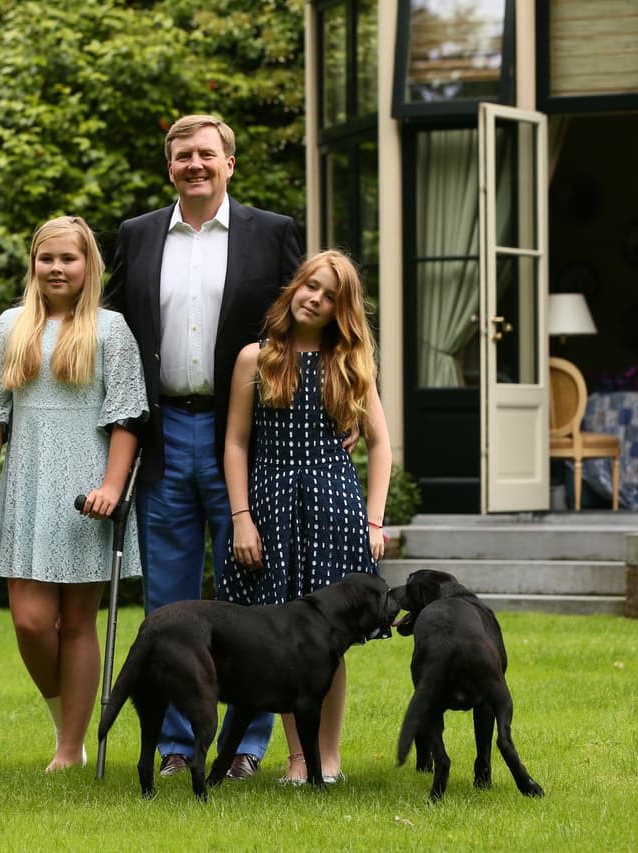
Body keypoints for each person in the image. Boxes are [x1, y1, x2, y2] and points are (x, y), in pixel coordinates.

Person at [105, 114, 304, 780]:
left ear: (229, 163)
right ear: (170, 167)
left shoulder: (271, 233)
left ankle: (246, 745)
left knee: (250, 597)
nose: (195, 164)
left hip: (242, 435)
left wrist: (341, 400)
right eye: (183, 155)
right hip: (165, 435)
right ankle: (175, 744)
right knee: (168, 601)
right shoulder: (136, 236)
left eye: (207, 154)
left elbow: (309, 322)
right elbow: (107, 331)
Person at [0, 215, 148, 772]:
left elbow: (127, 418)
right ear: (34, 265)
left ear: (88, 265)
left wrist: (113, 487)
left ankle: (69, 747)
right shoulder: (10, 326)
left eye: (68, 259)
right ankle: (62, 714)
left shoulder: (110, 330)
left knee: (77, 621)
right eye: (47, 259)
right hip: (26, 482)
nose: (57, 268)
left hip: (86, 487)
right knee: (30, 621)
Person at [221, 249, 392, 785]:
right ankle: (298, 759)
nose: (315, 299)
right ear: (295, 287)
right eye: (310, 286)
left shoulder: (351, 363)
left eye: (330, 296)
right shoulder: (257, 357)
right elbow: (234, 443)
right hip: (269, 504)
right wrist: (241, 517)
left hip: (333, 507)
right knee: (281, 640)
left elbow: (382, 444)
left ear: (342, 310)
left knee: (328, 641)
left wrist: (374, 520)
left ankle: (329, 757)